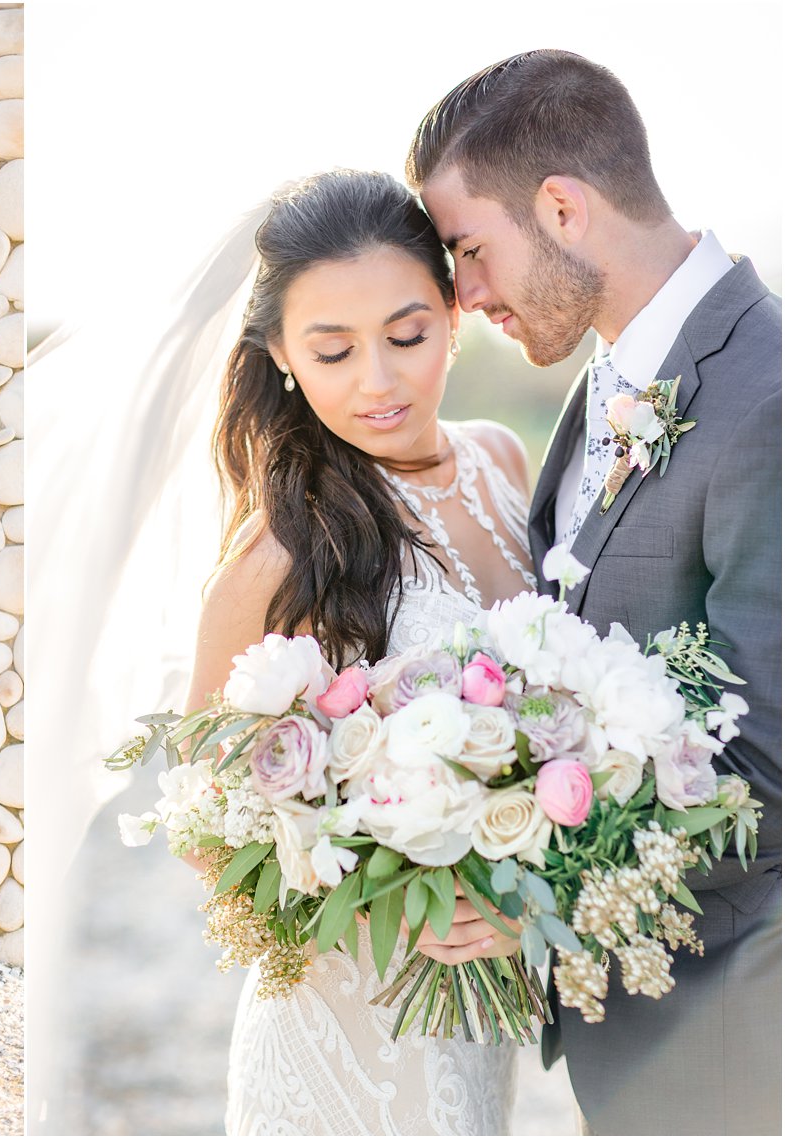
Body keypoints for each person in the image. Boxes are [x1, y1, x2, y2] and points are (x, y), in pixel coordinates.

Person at [406, 49, 782, 1136]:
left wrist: (529, 871)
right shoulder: (606, 381)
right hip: (631, 1015)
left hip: (731, 1015)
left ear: (561, 208)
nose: (463, 296)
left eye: (469, 250)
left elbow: (764, 768)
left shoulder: (767, 395)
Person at [187, 170, 533, 1135]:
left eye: (408, 335)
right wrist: (397, 897)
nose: (378, 381)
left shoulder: (505, 461)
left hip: (484, 1000)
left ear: (455, 314)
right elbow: (203, 826)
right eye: (333, 351)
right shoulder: (279, 554)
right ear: (283, 358)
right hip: (350, 1018)